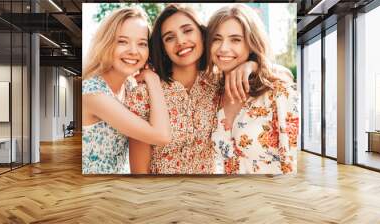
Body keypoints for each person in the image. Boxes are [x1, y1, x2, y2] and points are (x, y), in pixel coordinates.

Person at [124, 4, 258, 174]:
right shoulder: (143, 95)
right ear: (163, 48)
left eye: (187, 30)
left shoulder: (219, 85)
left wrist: (251, 65)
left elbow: (282, 76)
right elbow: (139, 172)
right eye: (169, 38)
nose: (180, 41)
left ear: (202, 35)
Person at [207, 4, 299, 174]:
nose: (223, 48)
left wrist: (257, 65)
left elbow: (291, 161)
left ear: (251, 43)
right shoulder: (210, 95)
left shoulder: (277, 93)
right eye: (216, 38)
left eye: (235, 39)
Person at [82, 6, 171, 174]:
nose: (133, 51)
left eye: (142, 44)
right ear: (106, 43)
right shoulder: (93, 94)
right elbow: (162, 135)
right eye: (122, 41)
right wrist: (152, 79)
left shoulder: (129, 87)